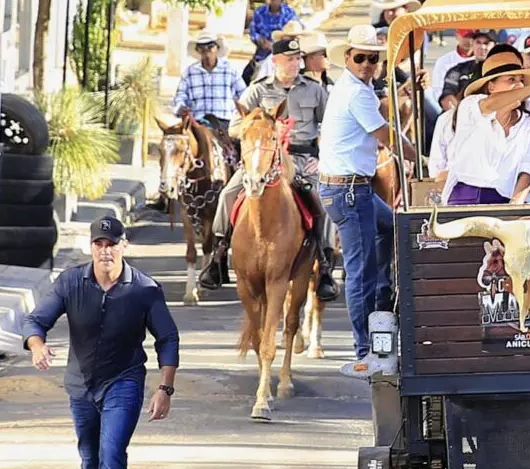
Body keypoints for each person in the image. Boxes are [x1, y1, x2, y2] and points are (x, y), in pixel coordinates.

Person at [23, 217, 179, 469]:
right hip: (80, 386)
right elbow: (36, 322)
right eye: (99, 244)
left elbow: (167, 339)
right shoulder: (70, 282)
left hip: (123, 383)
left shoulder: (144, 289)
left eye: (113, 244)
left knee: (111, 457)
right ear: (91, 247)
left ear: (125, 246)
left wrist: (164, 388)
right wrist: (37, 346)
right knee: (90, 463)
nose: (106, 251)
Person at [200, 37, 337, 302]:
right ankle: (219, 255)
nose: (295, 64)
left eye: (298, 59)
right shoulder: (257, 90)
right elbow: (234, 129)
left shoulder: (314, 90)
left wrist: (321, 158)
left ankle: (326, 263)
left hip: (300, 158)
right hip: (261, 159)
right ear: (275, 62)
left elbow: (332, 128)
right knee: (228, 194)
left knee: (323, 200)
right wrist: (255, 128)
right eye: (289, 59)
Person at [320, 25, 411, 375]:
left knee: (391, 227)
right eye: (360, 58)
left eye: (373, 58)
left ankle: (384, 306)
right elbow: (387, 136)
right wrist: (420, 159)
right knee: (360, 272)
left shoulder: (358, 88)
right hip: (349, 190)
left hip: (351, 186)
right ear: (347, 59)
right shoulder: (357, 93)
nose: (367, 64)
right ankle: (363, 350)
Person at [436, 50, 530, 205]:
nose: (519, 85)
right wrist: (529, 90)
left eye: (521, 81)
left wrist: (515, 204)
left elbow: (528, 169)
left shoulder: (529, 122)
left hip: (508, 199)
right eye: (511, 79)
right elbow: (490, 104)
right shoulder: (470, 105)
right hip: (465, 196)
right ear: (491, 87)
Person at [172, 32, 245, 126]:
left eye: (210, 47)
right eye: (202, 48)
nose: (206, 52)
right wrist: (180, 108)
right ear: (198, 51)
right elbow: (180, 96)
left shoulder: (230, 70)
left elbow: (244, 95)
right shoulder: (190, 72)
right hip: (198, 122)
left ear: (217, 48)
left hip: (225, 121)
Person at [245, 0, 299, 84]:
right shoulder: (259, 12)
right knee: (246, 79)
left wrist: (276, 46)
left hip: (286, 55)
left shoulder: (289, 13)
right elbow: (253, 32)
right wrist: (260, 40)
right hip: (262, 55)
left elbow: (293, 32)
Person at [439, 30, 499, 109]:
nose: (482, 47)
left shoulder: (501, 72)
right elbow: (447, 98)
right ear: (472, 44)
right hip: (461, 115)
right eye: (478, 42)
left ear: (495, 46)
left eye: (486, 43)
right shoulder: (458, 69)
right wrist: (462, 115)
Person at [431, 29, 476, 103]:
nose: (469, 41)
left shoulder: (481, 61)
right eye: (465, 37)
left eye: (472, 37)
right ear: (457, 36)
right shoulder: (444, 60)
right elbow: (438, 88)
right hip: (447, 102)